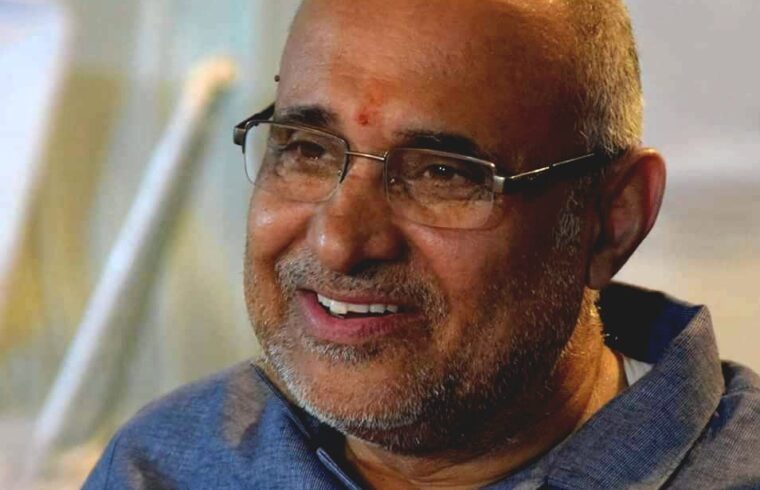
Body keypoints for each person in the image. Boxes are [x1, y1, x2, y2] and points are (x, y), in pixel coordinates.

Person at [84, 0, 760, 488]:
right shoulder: (165, 464)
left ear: (614, 218)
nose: (339, 242)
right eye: (307, 149)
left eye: (442, 173)